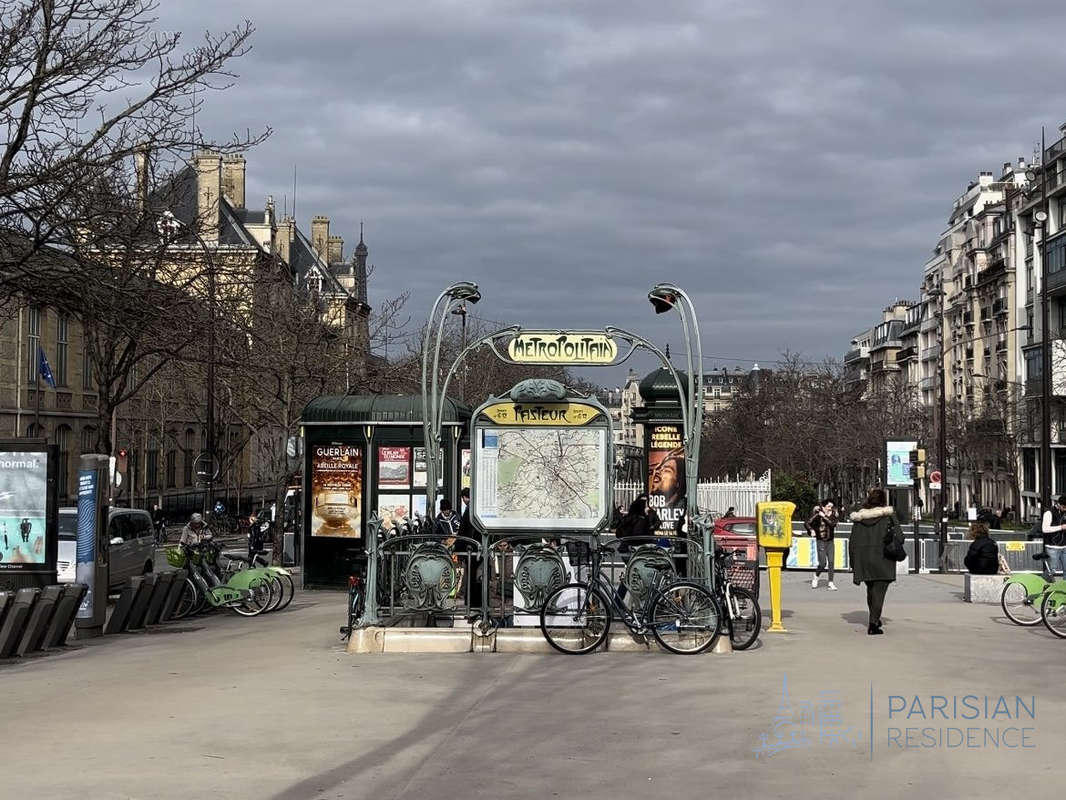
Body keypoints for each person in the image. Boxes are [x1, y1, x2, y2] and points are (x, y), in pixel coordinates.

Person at [848, 488, 902, 635]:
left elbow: (852, 542)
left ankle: (874, 617)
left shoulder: (859, 519)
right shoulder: (888, 517)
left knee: (871, 590)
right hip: (883, 559)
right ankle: (873, 624)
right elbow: (900, 537)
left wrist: (854, 562)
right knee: (879, 591)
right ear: (883, 500)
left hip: (864, 560)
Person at [456, 488, 482, 613]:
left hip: (472, 550)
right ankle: (473, 603)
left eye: (463, 498)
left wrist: (459, 549)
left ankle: (472, 604)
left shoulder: (469, 510)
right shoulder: (477, 508)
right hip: (476, 549)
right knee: (475, 577)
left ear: (466, 497)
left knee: (472, 577)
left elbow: (463, 531)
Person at [808, 499, 839, 590]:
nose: (830, 508)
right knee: (822, 563)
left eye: (831, 507)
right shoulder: (817, 515)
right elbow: (807, 523)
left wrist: (824, 516)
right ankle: (816, 576)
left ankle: (830, 582)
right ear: (823, 506)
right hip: (821, 540)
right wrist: (812, 530)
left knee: (831, 562)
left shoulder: (834, 515)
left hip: (830, 541)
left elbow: (832, 524)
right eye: (828, 506)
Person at [1041, 495, 1066, 578]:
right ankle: (1043, 586)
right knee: (1051, 570)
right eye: (1064, 507)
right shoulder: (1049, 513)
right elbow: (1045, 529)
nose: (1065, 509)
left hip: (1064, 545)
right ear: (1058, 504)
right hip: (1052, 546)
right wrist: (1061, 527)